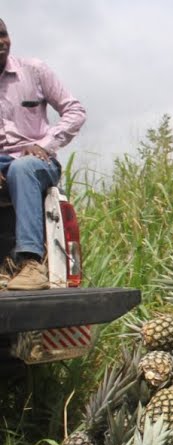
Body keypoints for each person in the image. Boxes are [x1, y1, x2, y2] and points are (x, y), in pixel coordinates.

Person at [0, 17, 86, 292]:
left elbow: (75, 111)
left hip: (38, 162)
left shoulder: (34, 70)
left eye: (3, 34)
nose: (1, 42)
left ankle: (31, 263)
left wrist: (46, 144)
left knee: (22, 168)